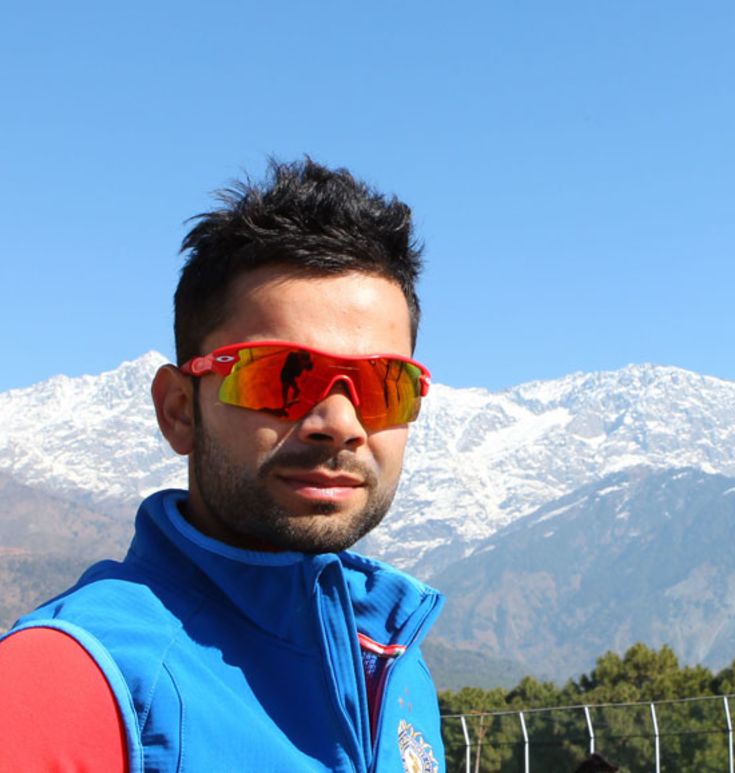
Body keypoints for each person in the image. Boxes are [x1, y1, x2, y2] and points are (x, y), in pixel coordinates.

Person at [0, 159, 445, 772]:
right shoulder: (73, 681)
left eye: (385, 385)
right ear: (179, 410)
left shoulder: (394, 666)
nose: (341, 423)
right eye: (281, 375)